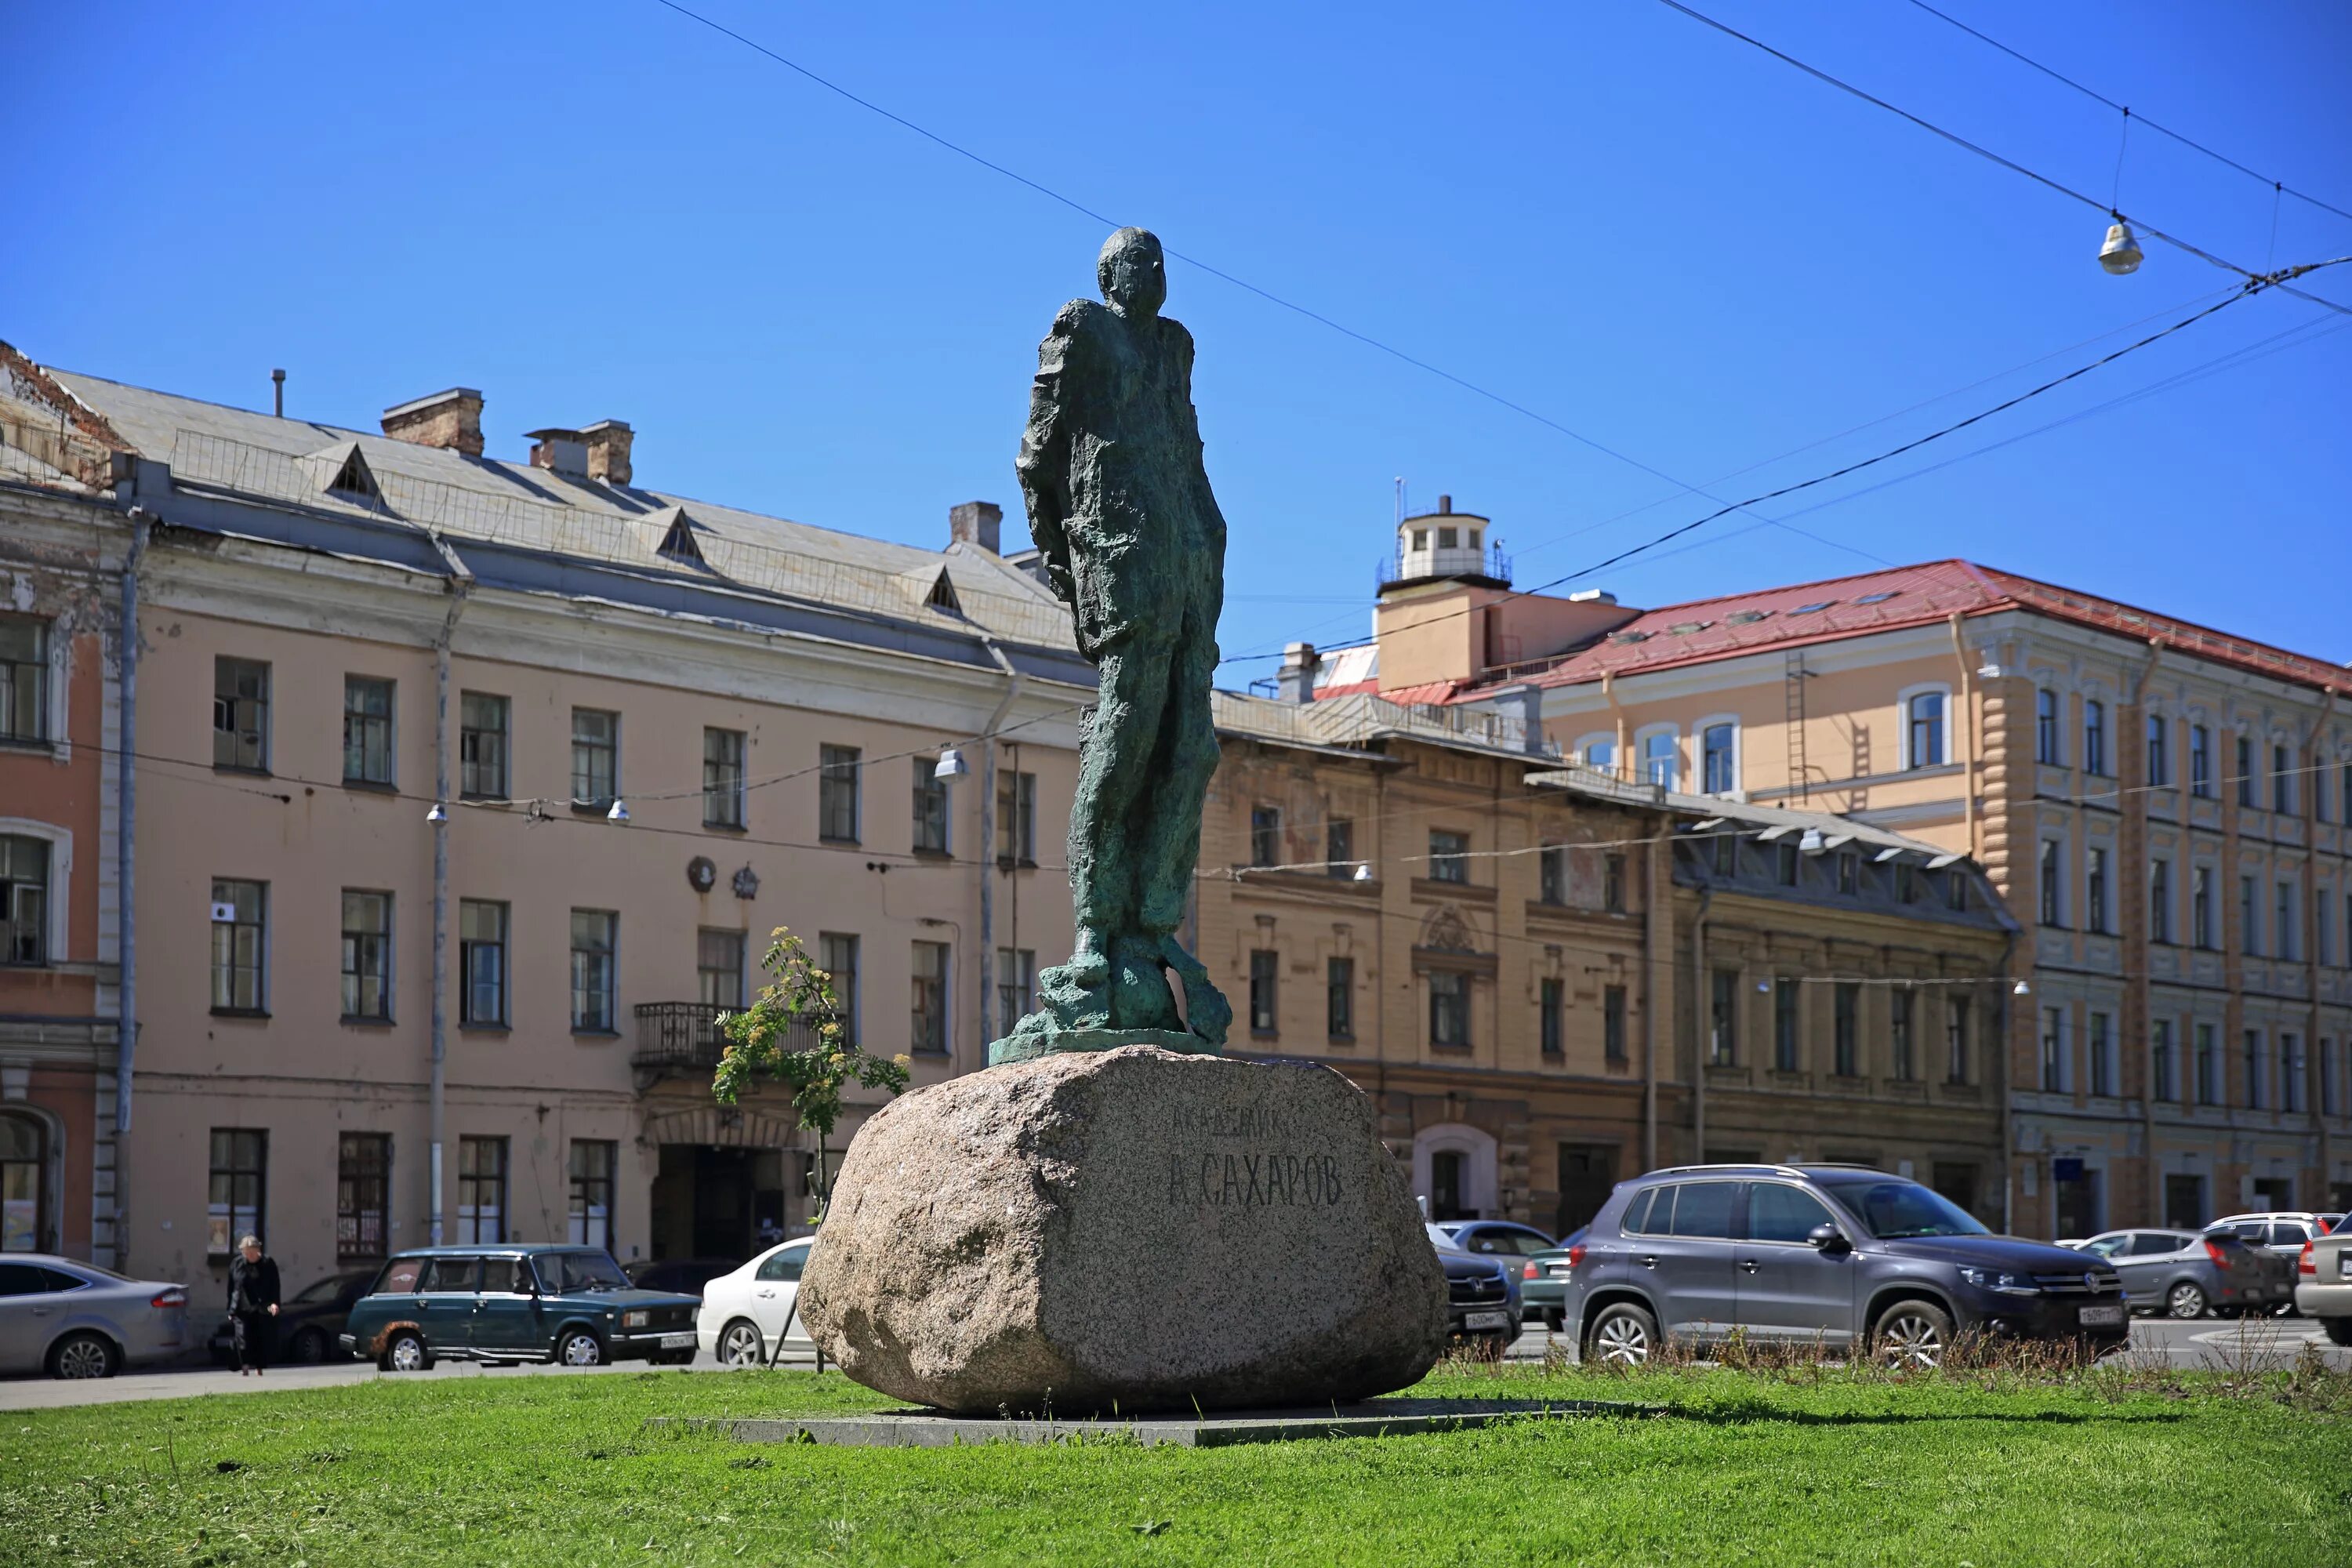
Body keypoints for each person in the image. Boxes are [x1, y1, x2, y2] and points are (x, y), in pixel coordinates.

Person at [1000, 227, 1232, 1057]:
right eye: (1140, 264)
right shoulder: (1084, 329)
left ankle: (1154, 923)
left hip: (1187, 559)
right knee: (1126, 736)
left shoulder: (1175, 346)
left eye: (1163, 264)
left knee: (1191, 746)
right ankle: (1099, 928)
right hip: (1121, 557)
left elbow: (1188, 448)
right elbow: (1037, 456)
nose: (1155, 277)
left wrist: (1212, 535)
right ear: (1108, 275)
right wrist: (1065, 561)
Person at [227, 1234, 280, 1376]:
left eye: (252, 1252)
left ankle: (259, 1367)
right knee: (242, 1337)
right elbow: (231, 1288)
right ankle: (244, 1367)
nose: (249, 1255)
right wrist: (230, 1310)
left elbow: (275, 1285)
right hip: (240, 1307)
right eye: (246, 1252)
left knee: (260, 1336)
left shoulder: (268, 1263)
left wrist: (275, 1303)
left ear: (258, 1250)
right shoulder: (237, 1264)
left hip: (262, 1306)